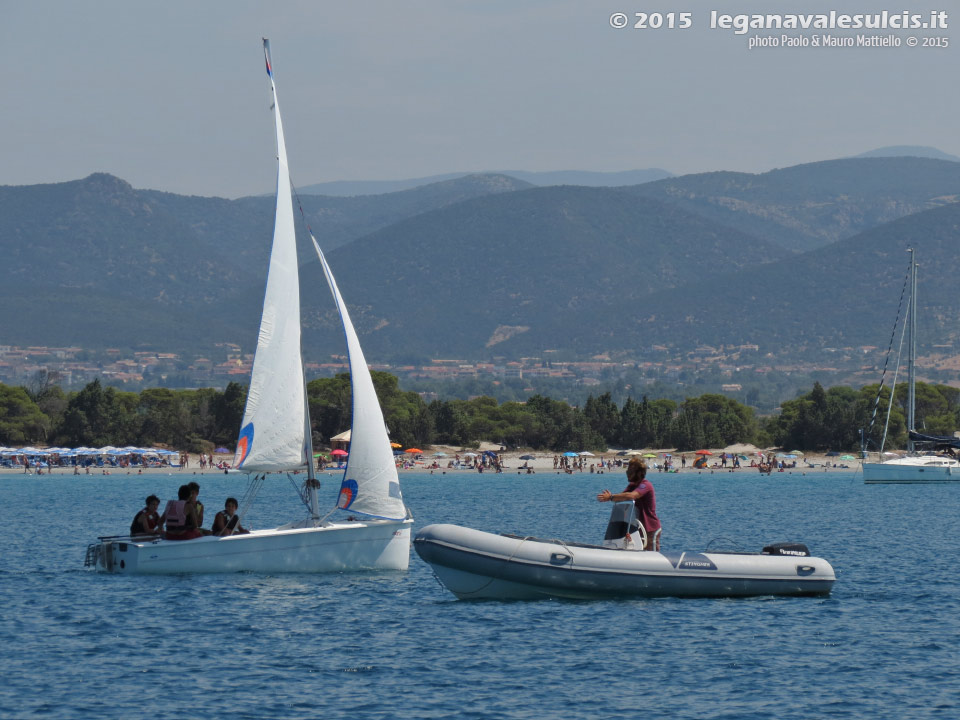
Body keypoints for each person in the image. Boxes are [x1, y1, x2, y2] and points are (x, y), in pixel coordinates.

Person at [597, 457, 661, 550]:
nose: (628, 472)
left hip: (650, 528)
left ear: (639, 473)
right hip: (637, 528)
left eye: (631, 470)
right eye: (628, 469)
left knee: (651, 555)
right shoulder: (632, 486)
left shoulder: (646, 485)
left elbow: (631, 496)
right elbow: (622, 497)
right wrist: (611, 497)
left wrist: (611, 497)